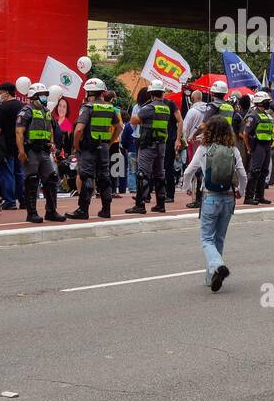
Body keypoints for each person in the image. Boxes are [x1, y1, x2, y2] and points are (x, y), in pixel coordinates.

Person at [181, 115, 246, 293]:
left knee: (207, 238)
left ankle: (218, 266)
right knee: (219, 238)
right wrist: (242, 190)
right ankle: (211, 277)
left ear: (208, 130)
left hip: (210, 197)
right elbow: (242, 174)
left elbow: (189, 171)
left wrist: (187, 188)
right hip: (228, 197)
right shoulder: (233, 149)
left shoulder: (204, 148)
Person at [68, 78, 121, 220]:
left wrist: (76, 145)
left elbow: (79, 130)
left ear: (88, 92)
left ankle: (83, 210)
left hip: (89, 148)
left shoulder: (88, 107)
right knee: (104, 177)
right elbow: (119, 127)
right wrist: (109, 142)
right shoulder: (109, 108)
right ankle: (106, 210)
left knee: (86, 176)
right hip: (103, 147)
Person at [16, 83, 66, 223]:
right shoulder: (26, 111)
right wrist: (21, 152)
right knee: (32, 180)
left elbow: (49, 128)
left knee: (51, 179)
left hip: (44, 151)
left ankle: (51, 211)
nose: (45, 97)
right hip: (31, 150)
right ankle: (31, 213)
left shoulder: (46, 111)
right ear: (34, 96)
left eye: (46, 94)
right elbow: (19, 132)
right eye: (42, 95)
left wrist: (51, 143)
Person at [126, 80, 172, 214]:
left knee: (142, 174)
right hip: (161, 145)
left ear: (151, 93)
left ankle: (140, 205)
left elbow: (134, 120)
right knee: (159, 174)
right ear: (162, 93)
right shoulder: (166, 108)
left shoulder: (149, 108)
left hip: (148, 145)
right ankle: (160, 204)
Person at [242, 90, 274, 205]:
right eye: (266, 101)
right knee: (255, 171)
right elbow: (245, 134)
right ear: (259, 102)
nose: (268, 104)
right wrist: (249, 148)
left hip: (267, 146)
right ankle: (248, 197)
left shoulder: (266, 114)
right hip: (258, 146)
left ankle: (260, 196)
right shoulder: (253, 115)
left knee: (264, 171)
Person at [0, 83, 23, 210]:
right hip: (18, 142)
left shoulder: (3, 107)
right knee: (19, 173)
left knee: (6, 173)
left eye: (0, 92)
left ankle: (10, 201)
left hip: (5, 144)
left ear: (6, 92)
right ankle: (24, 200)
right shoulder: (21, 106)